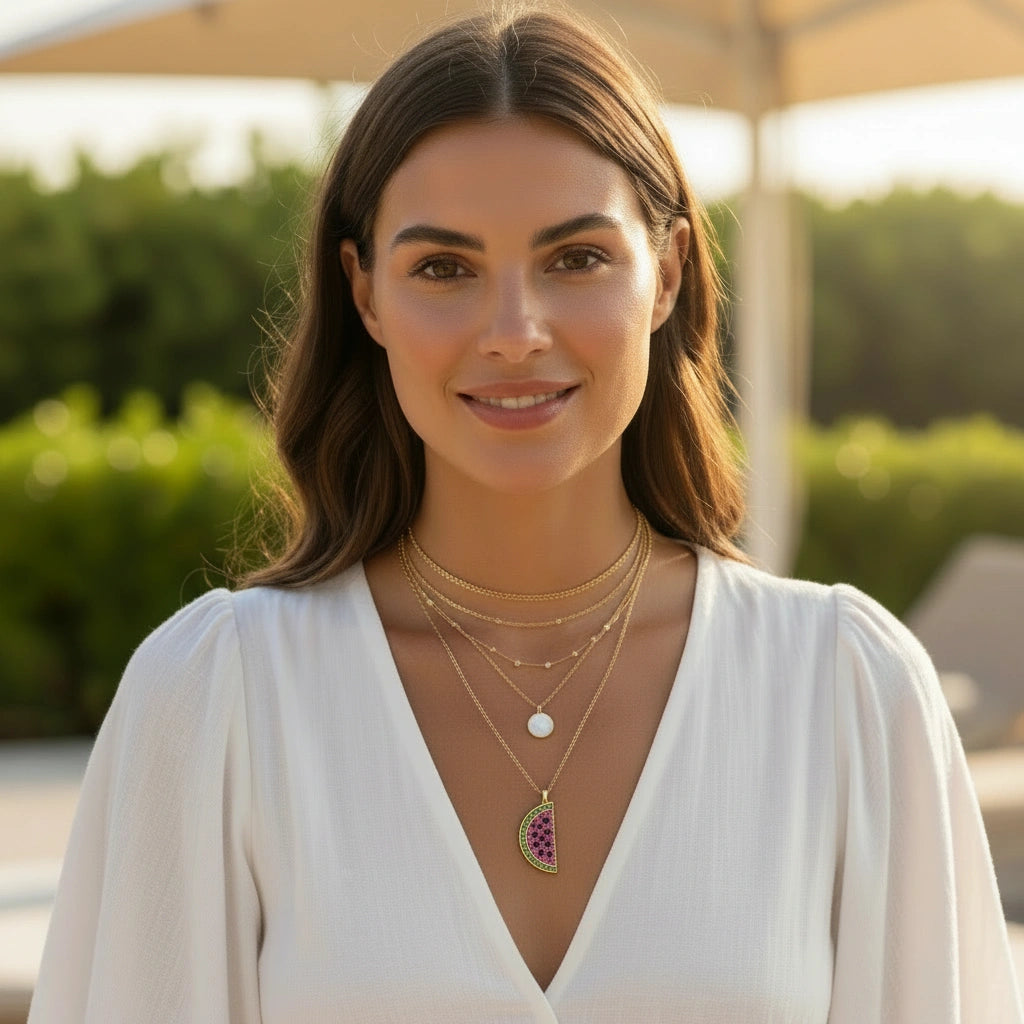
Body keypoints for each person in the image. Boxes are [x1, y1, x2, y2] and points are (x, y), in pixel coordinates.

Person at [28, 7, 1023, 1023]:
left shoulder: (849, 689)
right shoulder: (216, 702)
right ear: (364, 292)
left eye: (576, 257)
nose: (513, 332)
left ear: (667, 271)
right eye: (444, 268)